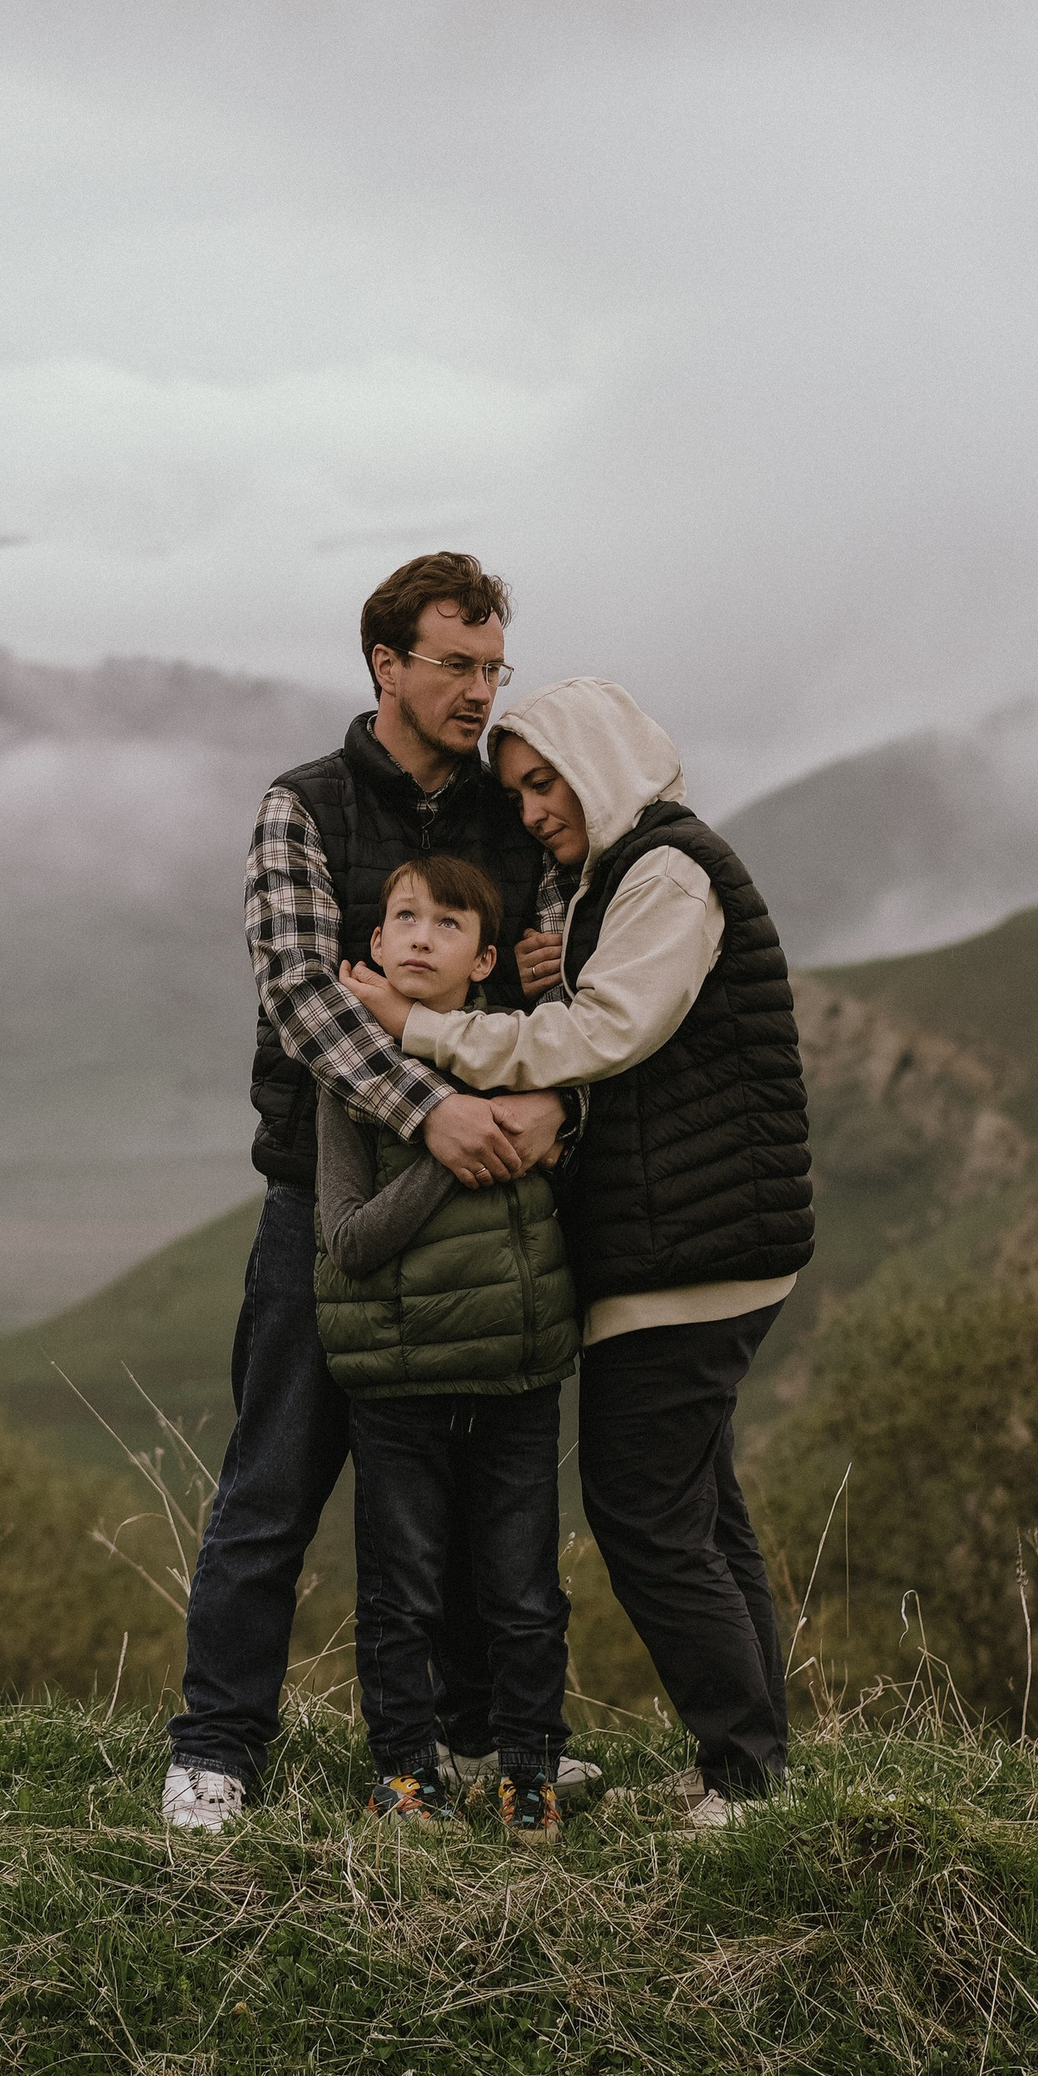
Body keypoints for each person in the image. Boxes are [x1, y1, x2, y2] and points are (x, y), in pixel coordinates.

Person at [341, 676, 812, 1831]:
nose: (534, 808)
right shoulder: (619, 879)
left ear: (597, 763)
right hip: (689, 1236)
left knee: (643, 1508)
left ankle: (742, 1776)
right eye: (518, 790)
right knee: (700, 1507)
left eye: (544, 780)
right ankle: (756, 1760)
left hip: (691, 1242)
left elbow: (607, 1030)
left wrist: (420, 1028)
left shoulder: (669, 872)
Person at [161, 552, 571, 1834]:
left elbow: (563, 993)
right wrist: (433, 1111)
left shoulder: (514, 816)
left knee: (465, 1502)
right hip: (319, 1197)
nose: (480, 689)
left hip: (493, 1205)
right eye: (456, 662)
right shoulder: (305, 807)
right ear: (385, 663)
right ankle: (217, 1746)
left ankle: (473, 1742)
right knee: (274, 1480)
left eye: (494, 665)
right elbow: (299, 993)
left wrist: (542, 1102)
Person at [315, 854, 579, 1840]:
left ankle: (527, 1772)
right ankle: (404, 1773)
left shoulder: (526, 1060)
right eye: (403, 916)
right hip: (400, 1381)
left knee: (520, 1589)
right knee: (403, 1588)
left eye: (448, 921)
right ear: (374, 945)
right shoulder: (347, 1086)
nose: (421, 933)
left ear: (484, 960)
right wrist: (448, 1141)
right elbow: (347, 1238)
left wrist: (536, 1118)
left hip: (515, 1374)